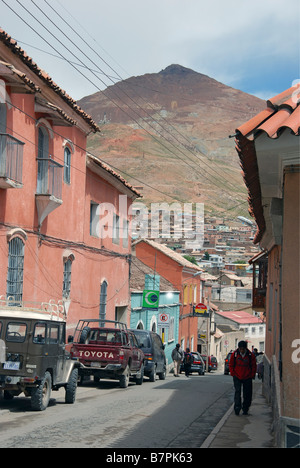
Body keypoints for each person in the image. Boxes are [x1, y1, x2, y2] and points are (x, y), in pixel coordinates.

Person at [229, 340, 257, 415]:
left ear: (245, 348)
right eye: (240, 349)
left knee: (247, 394)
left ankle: (245, 408)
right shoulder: (234, 354)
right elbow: (231, 364)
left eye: (243, 349)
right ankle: (237, 408)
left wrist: (251, 375)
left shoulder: (250, 355)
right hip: (237, 376)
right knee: (237, 392)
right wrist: (233, 374)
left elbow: (253, 366)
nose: (241, 350)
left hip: (247, 377)